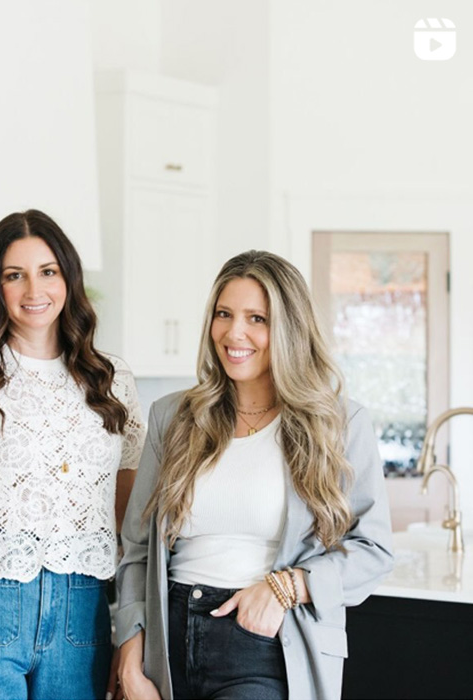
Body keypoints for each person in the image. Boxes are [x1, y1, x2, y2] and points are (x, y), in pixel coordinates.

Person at [115, 250, 394, 700]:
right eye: (223, 314)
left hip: (267, 644)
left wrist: (288, 587)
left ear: (289, 329)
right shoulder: (173, 417)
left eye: (257, 318)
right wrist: (130, 659)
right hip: (168, 643)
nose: (234, 332)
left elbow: (373, 550)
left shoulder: (337, 424)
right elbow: (138, 552)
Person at [0, 210, 145, 700]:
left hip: (84, 612)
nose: (34, 290)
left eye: (48, 271)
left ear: (68, 278)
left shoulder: (111, 381)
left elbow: (130, 531)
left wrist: (131, 638)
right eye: (14, 275)